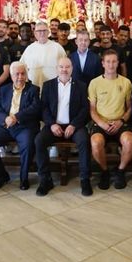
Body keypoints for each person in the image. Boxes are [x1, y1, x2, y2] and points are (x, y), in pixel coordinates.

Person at [35, 57, 92, 196]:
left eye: (67, 67)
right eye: (61, 67)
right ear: (57, 69)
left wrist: (73, 125)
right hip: (54, 125)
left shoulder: (81, 85)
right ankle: (45, 179)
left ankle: (85, 179)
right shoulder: (48, 85)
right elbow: (44, 109)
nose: (64, 70)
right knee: (39, 141)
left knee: (84, 141)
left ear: (72, 68)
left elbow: (85, 109)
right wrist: (52, 124)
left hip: (75, 125)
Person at [0, 62, 42, 191]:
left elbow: (35, 108)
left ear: (26, 75)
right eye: (17, 74)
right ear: (11, 75)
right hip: (6, 125)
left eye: (23, 74)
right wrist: (6, 119)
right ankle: (1, 176)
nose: (20, 77)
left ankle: (24, 178)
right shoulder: (4, 89)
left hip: (24, 126)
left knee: (27, 145)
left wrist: (16, 117)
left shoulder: (33, 89)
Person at [88, 50, 132, 189]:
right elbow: (92, 109)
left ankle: (120, 171)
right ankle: (104, 171)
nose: (111, 64)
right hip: (101, 123)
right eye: (108, 61)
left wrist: (121, 121)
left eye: (114, 61)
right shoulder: (94, 83)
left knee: (129, 140)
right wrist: (102, 124)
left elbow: (130, 108)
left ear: (118, 63)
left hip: (120, 122)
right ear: (103, 63)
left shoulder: (126, 82)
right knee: (96, 143)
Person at [19, 21, 67, 87]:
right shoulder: (29, 48)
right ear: (35, 33)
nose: (42, 33)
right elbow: (21, 67)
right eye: (39, 31)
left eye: (44, 30)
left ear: (48, 32)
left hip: (53, 87)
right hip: (34, 86)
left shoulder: (57, 47)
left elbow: (66, 67)